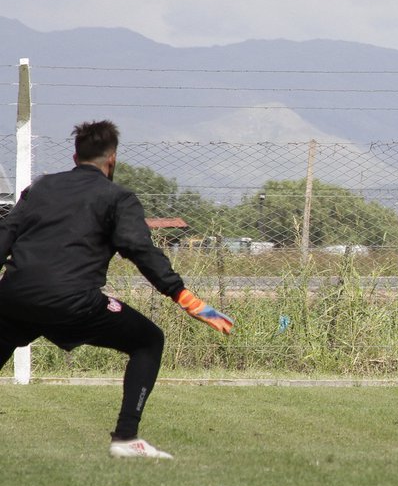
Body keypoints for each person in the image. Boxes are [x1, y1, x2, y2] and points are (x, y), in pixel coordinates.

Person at [0, 120, 233, 459]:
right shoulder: (117, 196)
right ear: (112, 160)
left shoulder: (40, 188)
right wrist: (187, 298)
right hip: (73, 302)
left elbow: (5, 235)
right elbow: (139, 249)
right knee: (148, 340)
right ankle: (126, 438)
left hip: (14, 297)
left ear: (75, 155)